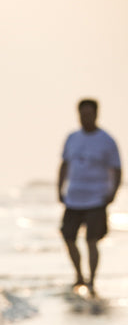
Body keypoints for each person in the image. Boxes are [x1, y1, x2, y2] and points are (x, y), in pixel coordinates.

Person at [59, 98, 121, 296]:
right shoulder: (72, 138)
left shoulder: (107, 140)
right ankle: (79, 276)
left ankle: (92, 281)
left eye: (89, 114)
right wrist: (59, 188)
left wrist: (113, 193)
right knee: (68, 236)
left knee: (91, 240)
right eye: (82, 114)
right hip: (73, 198)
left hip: (97, 198)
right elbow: (64, 164)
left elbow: (117, 169)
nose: (85, 118)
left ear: (96, 114)